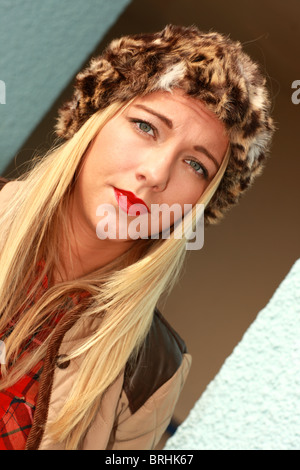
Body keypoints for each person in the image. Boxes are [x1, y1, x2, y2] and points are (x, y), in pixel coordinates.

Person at [0, 24, 274, 450]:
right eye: (147, 127)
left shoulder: (156, 371)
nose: (156, 173)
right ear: (94, 119)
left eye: (195, 165)